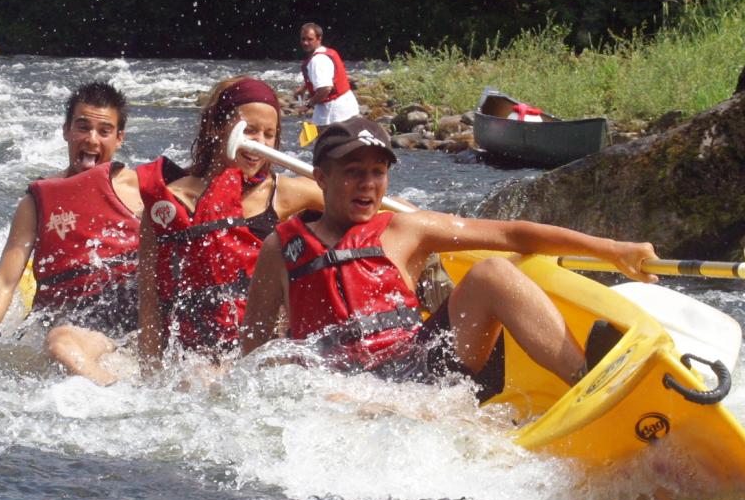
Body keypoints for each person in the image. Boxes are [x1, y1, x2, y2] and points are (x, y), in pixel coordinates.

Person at [241, 116, 660, 390]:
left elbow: (514, 235)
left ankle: (588, 381)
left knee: (493, 272)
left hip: (416, 368)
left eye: (377, 173)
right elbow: (254, 348)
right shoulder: (282, 247)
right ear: (321, 177)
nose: (368, 184)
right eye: (353, 173)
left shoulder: (407, 228)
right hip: (335, 385)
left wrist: (612, 250)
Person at [0, 82, 143, 386]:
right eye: (83, 127)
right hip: (64, 316)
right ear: (66, 131)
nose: (92, 139)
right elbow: (4, 280)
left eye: (104, 131)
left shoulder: (143, 190)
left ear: (119, 139)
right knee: (58, 340)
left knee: (61, 343)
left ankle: (131, 405)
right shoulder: (37, 201)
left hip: (125, 316)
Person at [137, 76, 324, 369]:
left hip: (261, 354)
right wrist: (150, 373)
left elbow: (364, 201)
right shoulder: (169, 201)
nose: (259, 143)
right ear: (217, 127)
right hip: (193, 357)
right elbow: (149, 300)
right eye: (249, 131)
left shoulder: (288, 193)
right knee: (197, 377)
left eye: (269, 134)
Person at [292, 22, 360, 126]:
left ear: (319, 39)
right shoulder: (327, 52)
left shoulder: (318, 60)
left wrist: (308, 105)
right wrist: (304, 88)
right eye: (303, 39)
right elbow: (324, 77)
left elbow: (325, 88)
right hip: (348, 107)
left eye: (310, 39)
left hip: (334, 113)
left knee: (325, 141)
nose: (305, 43)